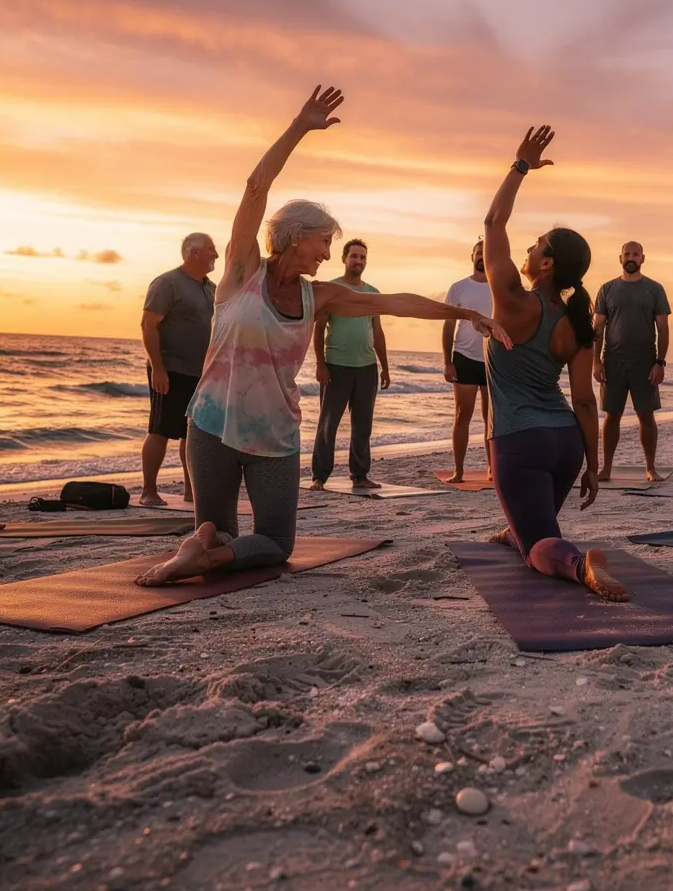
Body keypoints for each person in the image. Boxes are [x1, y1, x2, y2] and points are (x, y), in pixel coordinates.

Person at [136, 83, 509, 586]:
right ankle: (204, 546)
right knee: (231, 535)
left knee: (274, 544)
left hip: (274, 434)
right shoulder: (242, 272)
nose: (328, 254)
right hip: (212, 427)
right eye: (323, 242)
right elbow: (256, 186)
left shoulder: (321, 296)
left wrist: (464, 313)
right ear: (295, 236)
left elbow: (393, 302)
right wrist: (299, 128)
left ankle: (200, 552)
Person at [482, 125, 628, 602]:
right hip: (565, 443)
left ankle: (579, 564)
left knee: (539, 548)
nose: (528, 249)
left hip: (520, 441)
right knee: (531, 523)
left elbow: (493, 223)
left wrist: (520, 165)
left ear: (546, 264)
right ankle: (516, 531)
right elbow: (584, 401)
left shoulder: (512, 300)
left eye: (537, 243)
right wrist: (593, 464)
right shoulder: (577, 323)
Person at [139, 233, 218, 505]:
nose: (216, 255)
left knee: (192, 434)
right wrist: (158, 368)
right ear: (194, 253)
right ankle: (148, 491)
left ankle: (191, 491)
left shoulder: (211, 288)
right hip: (170, 369)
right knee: (160, 430)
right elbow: (148, 325)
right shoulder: (167, 283)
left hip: (202, 373)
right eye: (211, 249)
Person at [310, 239, 389, 490]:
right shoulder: (331, 289)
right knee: (328, 424)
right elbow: (319, 329)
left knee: (363, 425)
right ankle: (320, 476)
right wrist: (321, 365)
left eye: (362, 257)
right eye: (354, 256)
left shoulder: (373, 293)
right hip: (336, 366)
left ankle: (360, 475)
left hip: (366, 367)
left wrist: (385, 367)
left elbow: (377, 332)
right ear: (344, 258)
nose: (358, 261)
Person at [593, 241, 671, 482]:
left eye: (636, 254)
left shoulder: (655, 289)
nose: (631, 257)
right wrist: (596, 361)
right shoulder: (607, 289)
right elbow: (598, 328)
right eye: (627, 253)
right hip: (613, 362)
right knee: (611, 415)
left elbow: (663, 328)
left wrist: (660, 363)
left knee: (646, 415)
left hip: (644, 363)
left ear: (642, 258)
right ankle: (606, 468)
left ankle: (650, 468)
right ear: (620, 258)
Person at [442, 239, 494, 482]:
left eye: (486, 252)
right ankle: (459, 470)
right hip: (464, 357)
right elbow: (448, 325)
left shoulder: (500, 288)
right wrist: (447, 361)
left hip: (493, 359)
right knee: (462, 414)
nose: (482, 256)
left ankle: (492, 468)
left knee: (491, 417)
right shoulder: (458, 288)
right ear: (472, 256)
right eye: (478, 253)